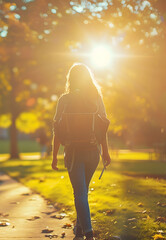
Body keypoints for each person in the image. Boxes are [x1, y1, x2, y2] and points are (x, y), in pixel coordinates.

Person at [51, 63, 111, 240]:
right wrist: (105, 153)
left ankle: (88, 233)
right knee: (82, 191)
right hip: (93, 152)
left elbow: (57, 130)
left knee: (80, 192)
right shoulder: (96, 99)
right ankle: (78, 228)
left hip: (73, 152)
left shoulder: (64, 100)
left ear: (70, 79)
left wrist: (54, 156)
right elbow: (103, 129)